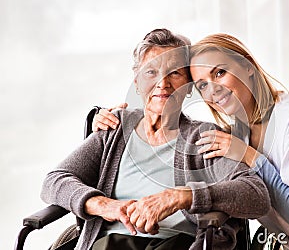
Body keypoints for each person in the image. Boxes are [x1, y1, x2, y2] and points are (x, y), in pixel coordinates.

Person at [97, 33, 289, 249]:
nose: (212, 89)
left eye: (220, 73)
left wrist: (251, 157)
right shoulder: (234, 132)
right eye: (202, 84)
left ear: (248, 67)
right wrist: (102, 118)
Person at [40, 29, 270, 250]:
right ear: (137, 81)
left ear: (189, 87)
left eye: (175, 73)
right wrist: (103, 205)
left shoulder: (204, 137)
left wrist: (181, 196)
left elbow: (256, 195)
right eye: (151, 72)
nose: (163, 83)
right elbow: (55, 181)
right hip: (108, 243)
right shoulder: (114, 127)